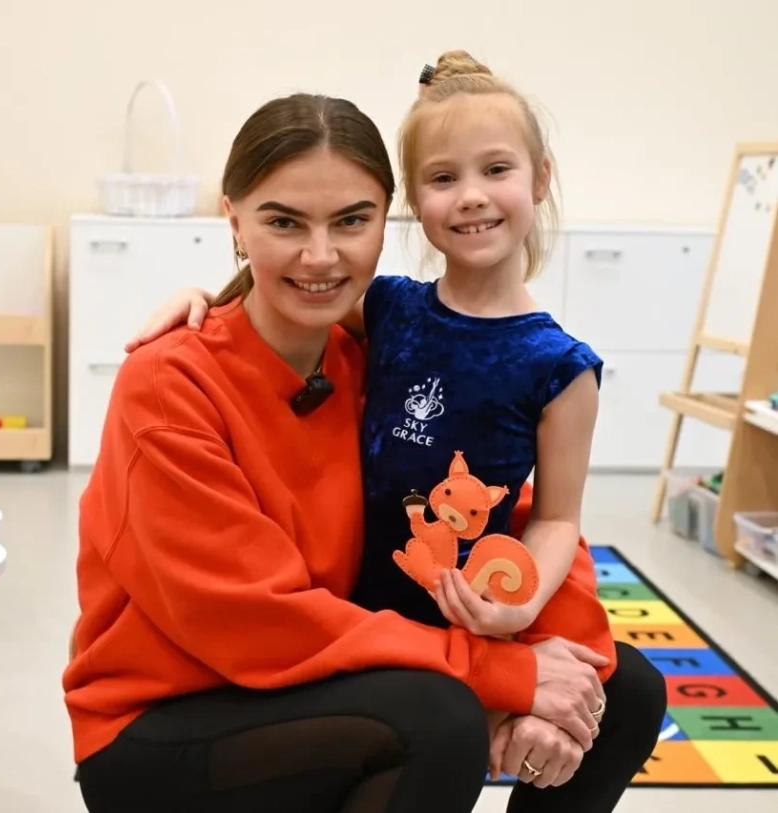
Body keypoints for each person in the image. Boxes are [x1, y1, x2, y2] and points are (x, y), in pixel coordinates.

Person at [126, 52, 667, 811]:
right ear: (235, 219)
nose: (321, 256)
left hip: (400, 612)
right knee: (440, 719)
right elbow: (253, 619)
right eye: (283, 221)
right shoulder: (376, 320)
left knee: (626, 688)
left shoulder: (370, 345)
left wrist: (546, 647)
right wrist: (205, 301)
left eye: (351, 220)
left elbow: (534, 512)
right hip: (191, 697)